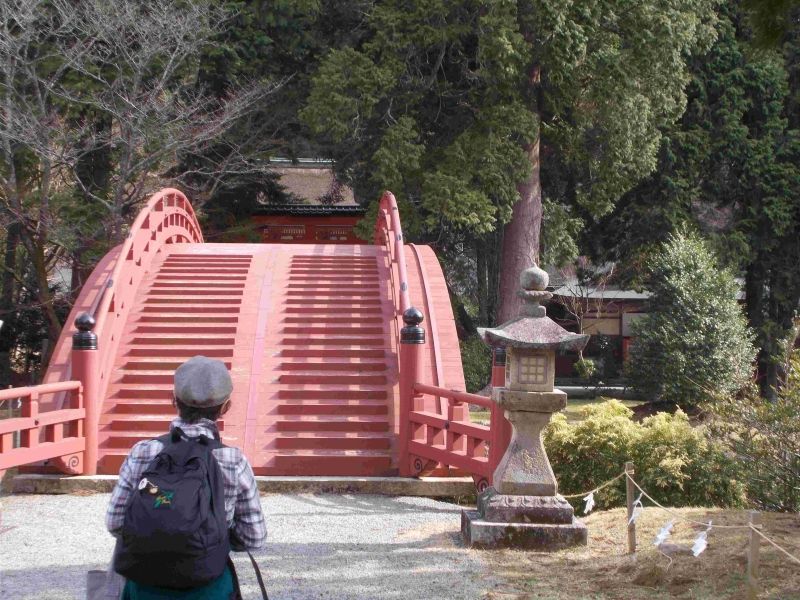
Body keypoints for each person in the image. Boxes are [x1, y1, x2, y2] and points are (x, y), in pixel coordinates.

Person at [106, 355, 267, 599]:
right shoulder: (233, 461)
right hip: (208, 585)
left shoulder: (143, 452)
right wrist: (210, 537)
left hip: (144, 586)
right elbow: (253, 536)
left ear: (174, 400)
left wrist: (157, 534)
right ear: (226, 407)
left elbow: (116, 522)